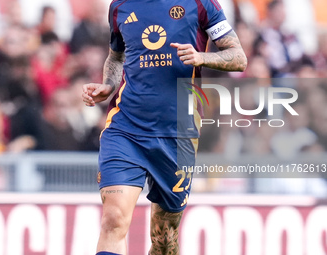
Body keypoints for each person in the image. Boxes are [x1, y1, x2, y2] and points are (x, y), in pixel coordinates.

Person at [82, 0, 247, 254]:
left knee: (164, 238)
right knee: (113, 219)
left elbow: (238, 57)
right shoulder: (119, 7)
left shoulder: (201, 4)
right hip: (125, 128)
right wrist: (108, 84)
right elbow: (116, 57)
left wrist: (201, 57)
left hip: (177, 133)